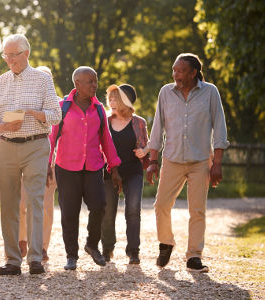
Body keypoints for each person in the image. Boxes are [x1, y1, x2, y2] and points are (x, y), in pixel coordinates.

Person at [0, 34, 61, 276]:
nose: (8, 59)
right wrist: (2, 127)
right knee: (8, 203)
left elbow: (56, 115)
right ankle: (13, 260)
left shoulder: (42, 80)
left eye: (13, 54)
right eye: (5, 54)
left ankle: (35, 259)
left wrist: (32, 113)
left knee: (35, 200)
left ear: (26, 53)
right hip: (6, 145)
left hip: (36, 145)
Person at [146, 53, 229, 273]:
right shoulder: (166, 92)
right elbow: (157, 128)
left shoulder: (210, 92)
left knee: (197, 210)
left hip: (200, 160)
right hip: (172, 159)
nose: (176, 74)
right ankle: (166, 243)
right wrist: (153, 160)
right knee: (161, 205)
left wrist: (217, 164)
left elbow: (220, 128)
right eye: (174, 70)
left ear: (194, 73)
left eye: (180, 70)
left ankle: (194, 256)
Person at [49, 66, 122, 271]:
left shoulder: (98, 109)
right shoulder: (62, 107)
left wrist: (114, 167)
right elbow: (52, 137)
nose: (94, 85)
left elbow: (106, 139)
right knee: (69, 212)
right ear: (77, 84)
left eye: (95, 80)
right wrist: (47, 164)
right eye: (90, 81)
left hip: (93, 166)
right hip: (66, 167)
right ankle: (71, 255)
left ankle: (91, 245)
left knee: (99, 205)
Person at [101, 84, 149, 265]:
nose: (111, 102)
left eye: (116, 98)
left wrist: (144, 152)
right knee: (107, 211)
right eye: (110, 98)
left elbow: (147, 144)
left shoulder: (139, 122)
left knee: (133, 209)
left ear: (125, 102)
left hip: (132, 172)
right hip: (108, 172)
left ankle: (133, 251)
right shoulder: (104, 121)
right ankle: (107, 249)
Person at [18, 66, 58, 261]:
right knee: (22, 203)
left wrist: (51, 164)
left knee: (46, 207)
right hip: (25, 162)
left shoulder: (57, 107)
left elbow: (59, 139)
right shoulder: (25, 103)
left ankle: (42, 247)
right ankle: (22, 239)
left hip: (50, 165)